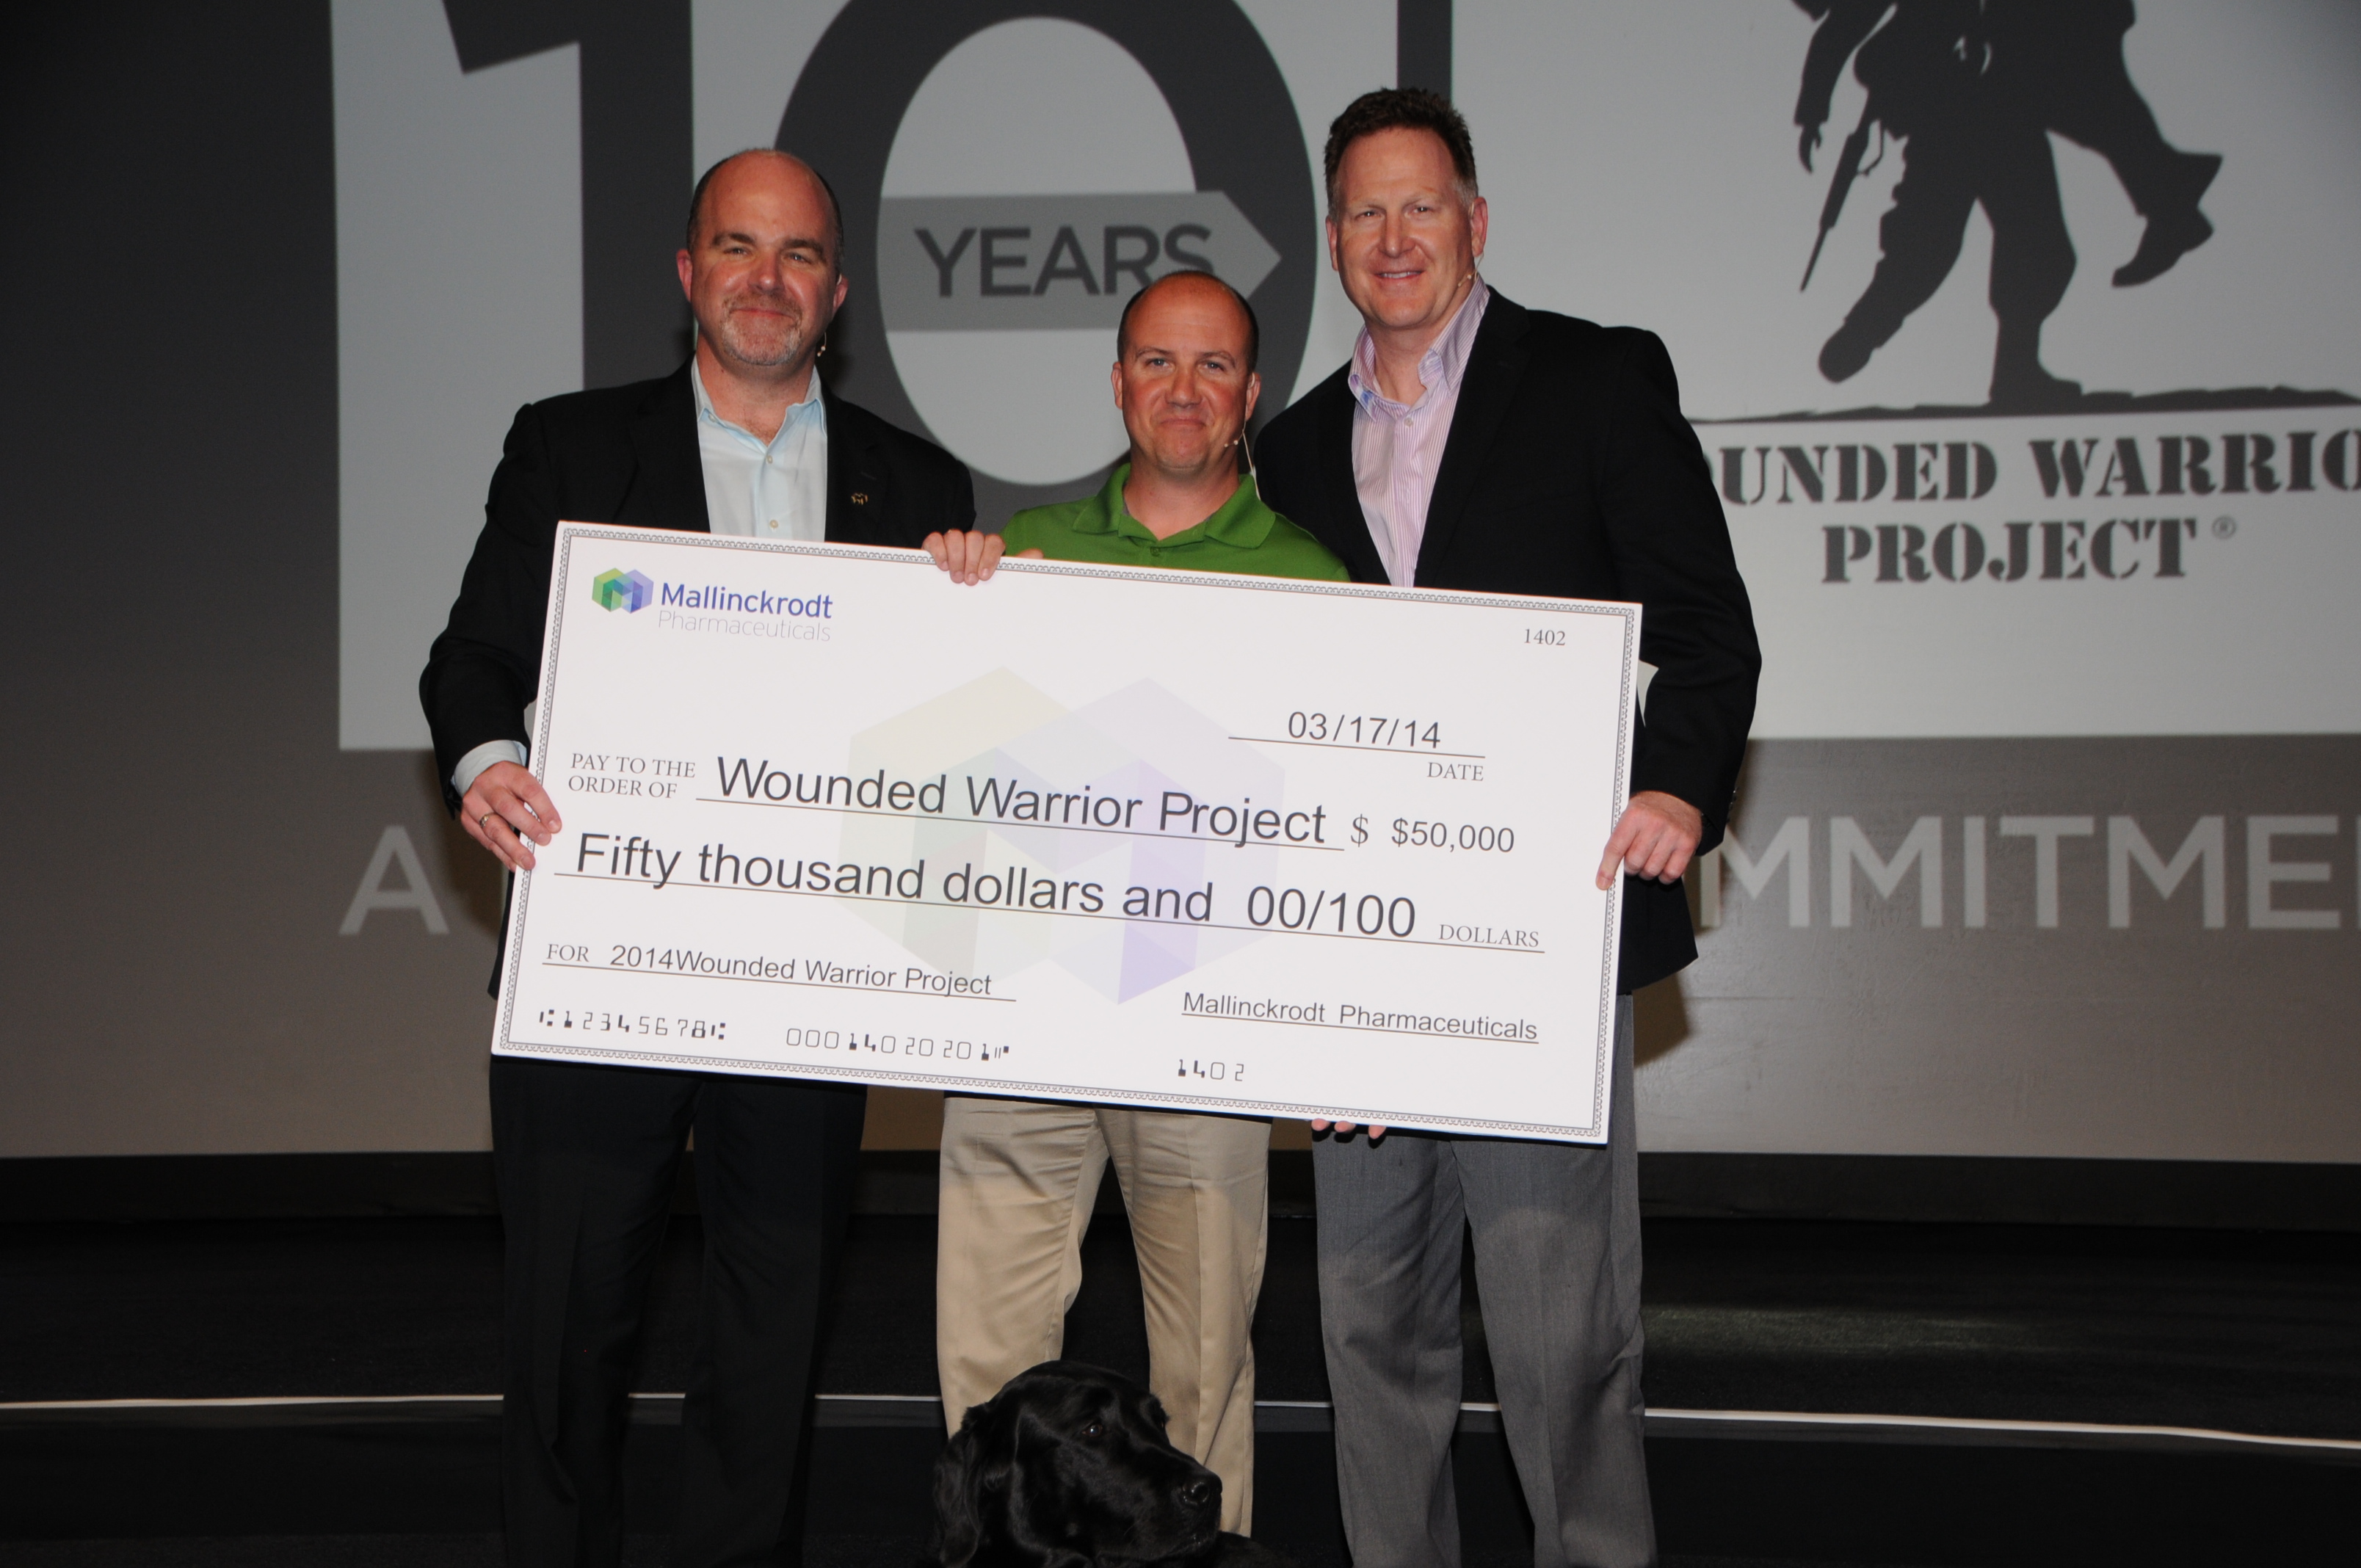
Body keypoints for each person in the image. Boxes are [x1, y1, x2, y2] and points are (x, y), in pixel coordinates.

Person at [419, 148, 973, 1568]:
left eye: (796, 256)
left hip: (805, 985)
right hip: (602, 963)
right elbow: (471, 661)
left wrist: (986, 616)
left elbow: (956, 737)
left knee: (770, 1335)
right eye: (738, 247)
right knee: (564, 1327)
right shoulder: (570, 445)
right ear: (688, 275)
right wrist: (489, 766)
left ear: (836, 294)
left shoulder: (915, 485)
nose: (766, 279)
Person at [1252, 90, 1760, 1568]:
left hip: (1533, 944)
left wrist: (1675, 784)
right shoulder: (1286, 453)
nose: (1393, 238)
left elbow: (1711, 629)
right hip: (1359, 967)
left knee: (1560, 1340)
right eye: (1364, 212)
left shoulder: (1595, 381)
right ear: (1333, 236)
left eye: (1422, 207)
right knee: (1370, 1334)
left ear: (1476, 222)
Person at [921, 269, 1348, 1533]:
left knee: (1204, 1367)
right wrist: (939, 605)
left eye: (1212, 366)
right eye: (1157, 362)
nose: (1182, 389)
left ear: (1250, 396)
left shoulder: (1316, 583)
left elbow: (1332, 835)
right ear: (1117, 384)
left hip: (1199, 1029)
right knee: (986, 1353)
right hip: (1025, 1019)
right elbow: (943, 765)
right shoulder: (1023, 556)